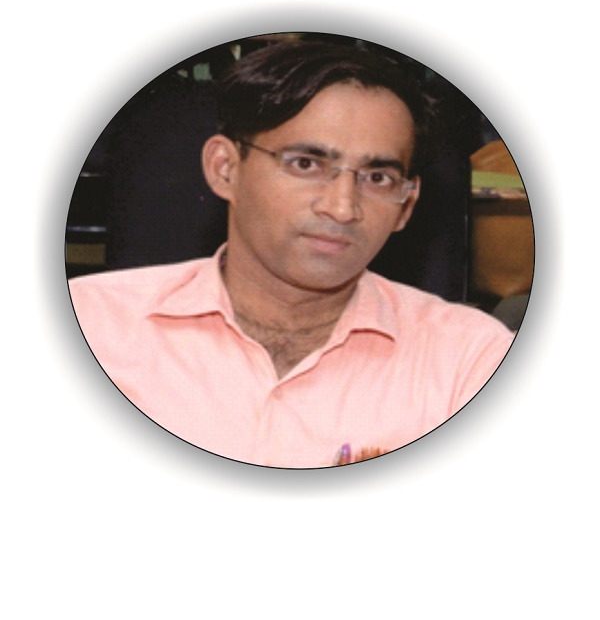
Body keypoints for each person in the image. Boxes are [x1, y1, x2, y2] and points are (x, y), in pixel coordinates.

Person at [68, 40, 514, 469]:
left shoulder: (470, 363)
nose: (342, 207)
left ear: (406, 205)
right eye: (306, 164)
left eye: (377, 177)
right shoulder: (91, 324)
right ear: (225, 169)